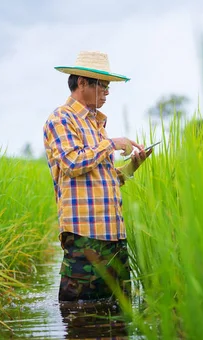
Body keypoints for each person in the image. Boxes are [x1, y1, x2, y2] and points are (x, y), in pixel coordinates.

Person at [43, 50, 153, 302]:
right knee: (78, 312)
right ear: (82, 83)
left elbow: (105, 178)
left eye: (107, 87)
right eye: (103, 86)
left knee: (118, 311)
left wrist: (132, 166)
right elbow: (72, 162)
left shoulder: (96, 125)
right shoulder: (61, 119)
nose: (106, 92)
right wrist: (112, 144)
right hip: (84, 236)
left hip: (113, 235)